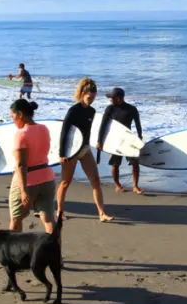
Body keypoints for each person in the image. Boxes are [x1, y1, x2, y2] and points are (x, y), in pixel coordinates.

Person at [56, 78, 114, 222]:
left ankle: (102, 213)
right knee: (65, 182)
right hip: (72, 151)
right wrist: (62, 154)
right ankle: (59, 211)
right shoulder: (73, 110)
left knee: (95, 180)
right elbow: (65, 132)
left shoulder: (92, 111)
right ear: (82, 93)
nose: (91, 99)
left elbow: (90, 131)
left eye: (94, 96)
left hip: (85, 149)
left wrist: (99, 143)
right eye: (89, 96)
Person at [8, 99, 56, 234]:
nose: (12, 120)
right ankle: (54, 248)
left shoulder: (21, 134)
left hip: (28, 181)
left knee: (16, 218)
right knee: (48, 218)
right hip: (47, 178)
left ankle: (13, 251)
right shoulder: (44, 129)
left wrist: (23, 191)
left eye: (12, 116)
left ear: (20, 114)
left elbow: (21, 165)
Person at [99, 87, 144, 194]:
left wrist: (140, 137)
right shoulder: (110, 109)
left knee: (135, 163)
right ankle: (117, 185)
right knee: (115, 164)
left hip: (128, 139)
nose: (110, 99)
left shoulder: (132, 109)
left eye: (112, 97)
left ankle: (135, 186)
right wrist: (99, 141)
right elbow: (103, 125)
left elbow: (138, 124)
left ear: (119, 98)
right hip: (115, 140)